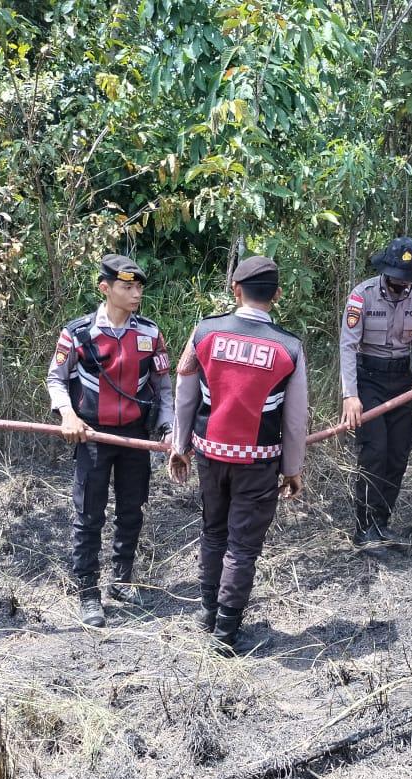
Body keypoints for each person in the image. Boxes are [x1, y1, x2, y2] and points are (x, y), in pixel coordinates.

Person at [169, 255, 308, 655]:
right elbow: (296, 419)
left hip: (209, 453)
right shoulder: (289, 348)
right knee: (243, 546)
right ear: (277, 295)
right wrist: (293, 469)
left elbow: (185, 393)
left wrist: (180, 446)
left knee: (213, 532)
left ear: (235, 290)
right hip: (259, 461)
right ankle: (226, 632)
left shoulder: (204, 333)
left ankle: (208, 611)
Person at [46, 254, 173, 627]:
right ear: (105, 288)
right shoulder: (78, 333)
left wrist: (167, 429)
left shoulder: (150, 334)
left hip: (136, 436)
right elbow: (55, 379)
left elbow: (164, 388)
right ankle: (88, 592)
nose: (136, 294)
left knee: (132, 511)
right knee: (88, 516)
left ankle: (121, 580)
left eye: (139, 288)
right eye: (127, 287)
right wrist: (68, 415)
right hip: (92, 435)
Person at [339, 236, 412, 549]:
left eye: (408, 282)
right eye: (396, 282)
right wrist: (350, 395)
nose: (402, 287)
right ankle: (362, 528)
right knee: (374, 452)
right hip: (369, 381)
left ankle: (381, 523)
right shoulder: (361, 295)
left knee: (397, 454)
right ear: (385, 273)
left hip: (402, 381)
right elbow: (348, 346)